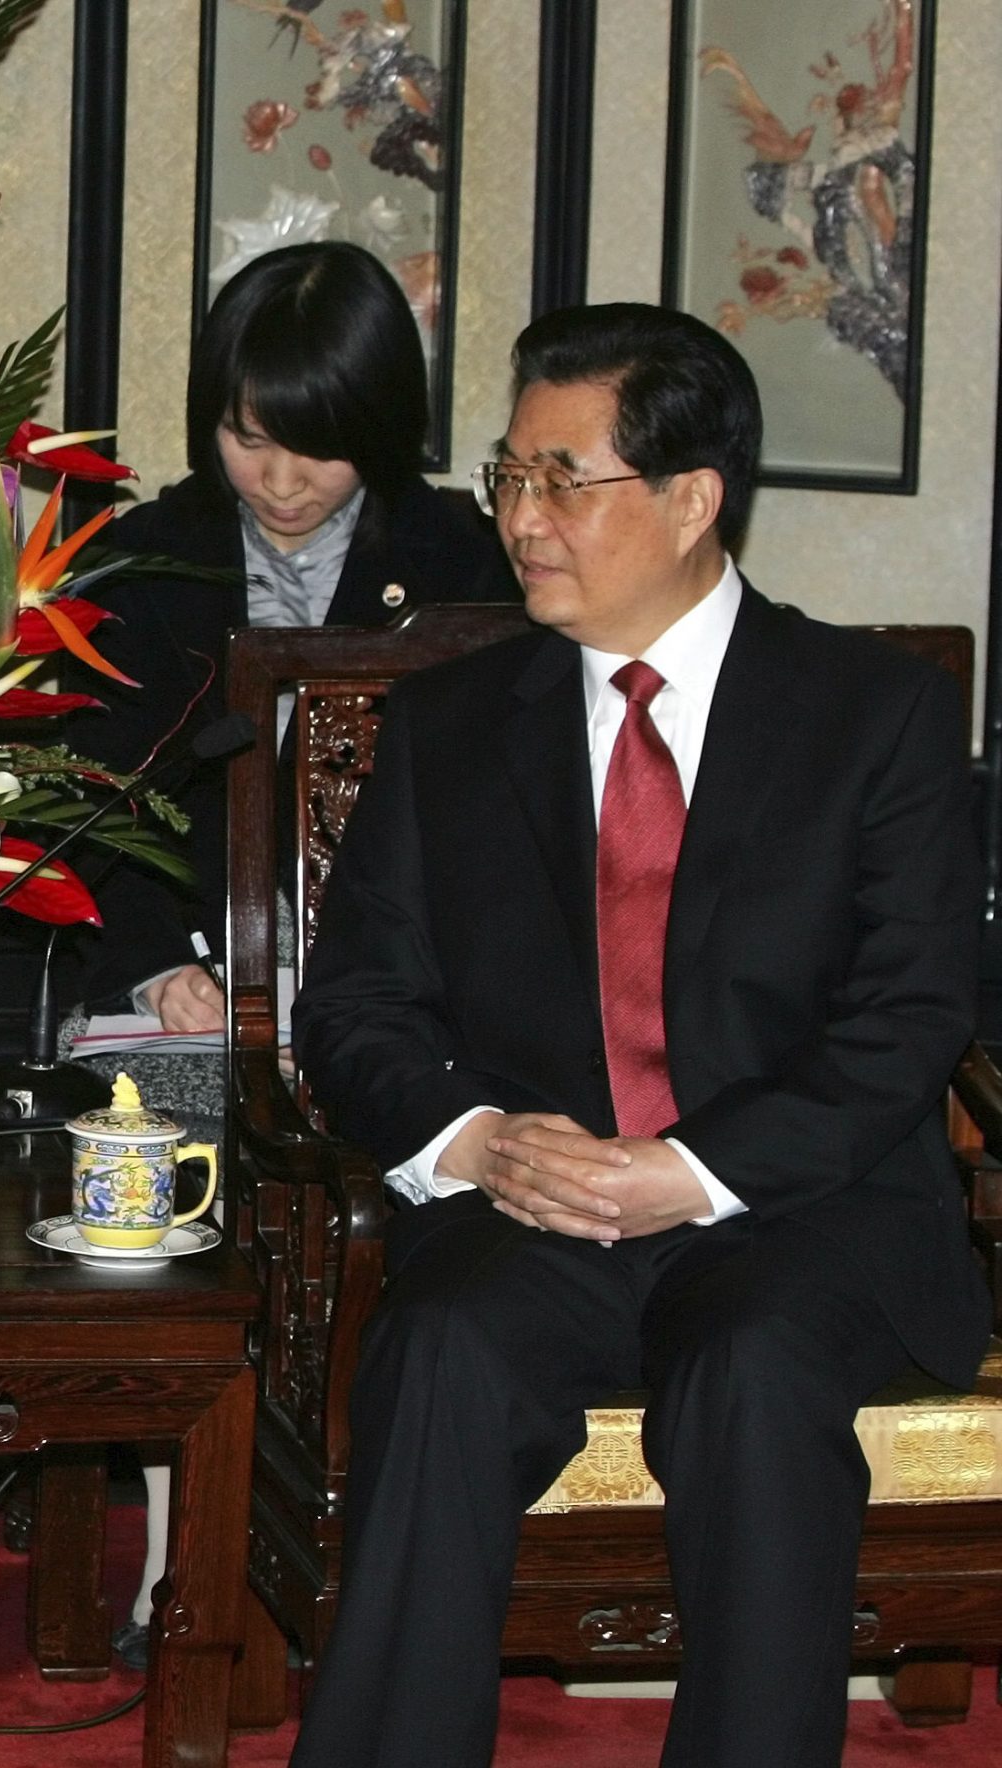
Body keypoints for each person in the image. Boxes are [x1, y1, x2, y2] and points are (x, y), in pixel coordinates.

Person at [287, 304, 983, 1767]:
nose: (521, 520)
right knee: (441, 1349)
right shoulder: (453, 728)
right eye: (508, 477)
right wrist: (480, 1143)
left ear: (689, 498)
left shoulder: (878, 718)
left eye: (561, 479)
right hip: (540, 1210)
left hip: (809, 1212)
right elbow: (354, 1009)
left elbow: (910, 1017)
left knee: (753, 1359)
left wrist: (697, 1172)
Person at [67, 240, 512, 1030]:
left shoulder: (469, 566)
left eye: (319, 448)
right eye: (249, 440)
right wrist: (156, 968)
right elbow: (91, 800)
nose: (280, 483)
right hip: (194, 986)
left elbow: (492, 827)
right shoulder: (141, 565)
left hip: (415, 997)